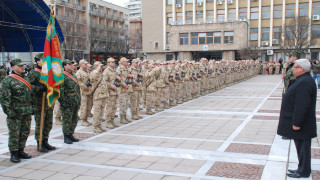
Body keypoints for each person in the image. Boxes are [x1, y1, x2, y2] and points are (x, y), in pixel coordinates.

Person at [277, 59, 317, 178]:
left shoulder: (304, 82)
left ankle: (303, 171)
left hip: (303, 123)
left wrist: (297, 122)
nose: (292, 69)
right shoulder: (302, 79)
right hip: (302, 123)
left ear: (301, 69)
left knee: (303, 149)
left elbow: (302, 105)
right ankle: (301, 168)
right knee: (300, 148)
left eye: (295, 67)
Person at [0, 59, 33, 163]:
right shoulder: (8, 81)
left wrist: (32, 108)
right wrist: (10, 112)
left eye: (22, 65)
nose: (22, 67)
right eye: (19, 66)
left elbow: (29, 96)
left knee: (25, 132)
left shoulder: (26, 78)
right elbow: (5, 99)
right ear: (13, 67)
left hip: (26, 111)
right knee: (15, 133)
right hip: (15, 111)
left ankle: (21, 150)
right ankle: (14, 153)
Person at [28, 53, 55, 152]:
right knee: (41, 124)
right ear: (37, 61)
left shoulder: (48, 72)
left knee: (48, 123)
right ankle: (39, 142)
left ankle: (45, 141)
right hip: (39, 102)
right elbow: (29, 86)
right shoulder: (33, 73)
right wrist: (38, 88)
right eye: (43, 60)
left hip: (48, 101)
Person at [59, 59, 81, 144]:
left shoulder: (74, 76)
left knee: (74, 119)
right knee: (67, 120)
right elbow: (61, 90)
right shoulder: (62, 76)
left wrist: (79, 100)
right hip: (68, 101)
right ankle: (66, 136)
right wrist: (63, 102)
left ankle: (71, 133)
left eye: (72, 64)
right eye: (69, 64)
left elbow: (77, 89)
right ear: (64, 66)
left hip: (75, 101)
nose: (71, 66)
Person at [75, 59, 92, 127]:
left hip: (88, 91)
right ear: (80, 65)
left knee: (88, 106)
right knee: (83, 107)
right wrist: (84, 87)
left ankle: (86, 119)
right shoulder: (79, 72)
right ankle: (83, 120)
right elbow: (78, 82)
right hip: (83, 92)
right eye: (84, 64)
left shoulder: (87, 72)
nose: (86, 65)